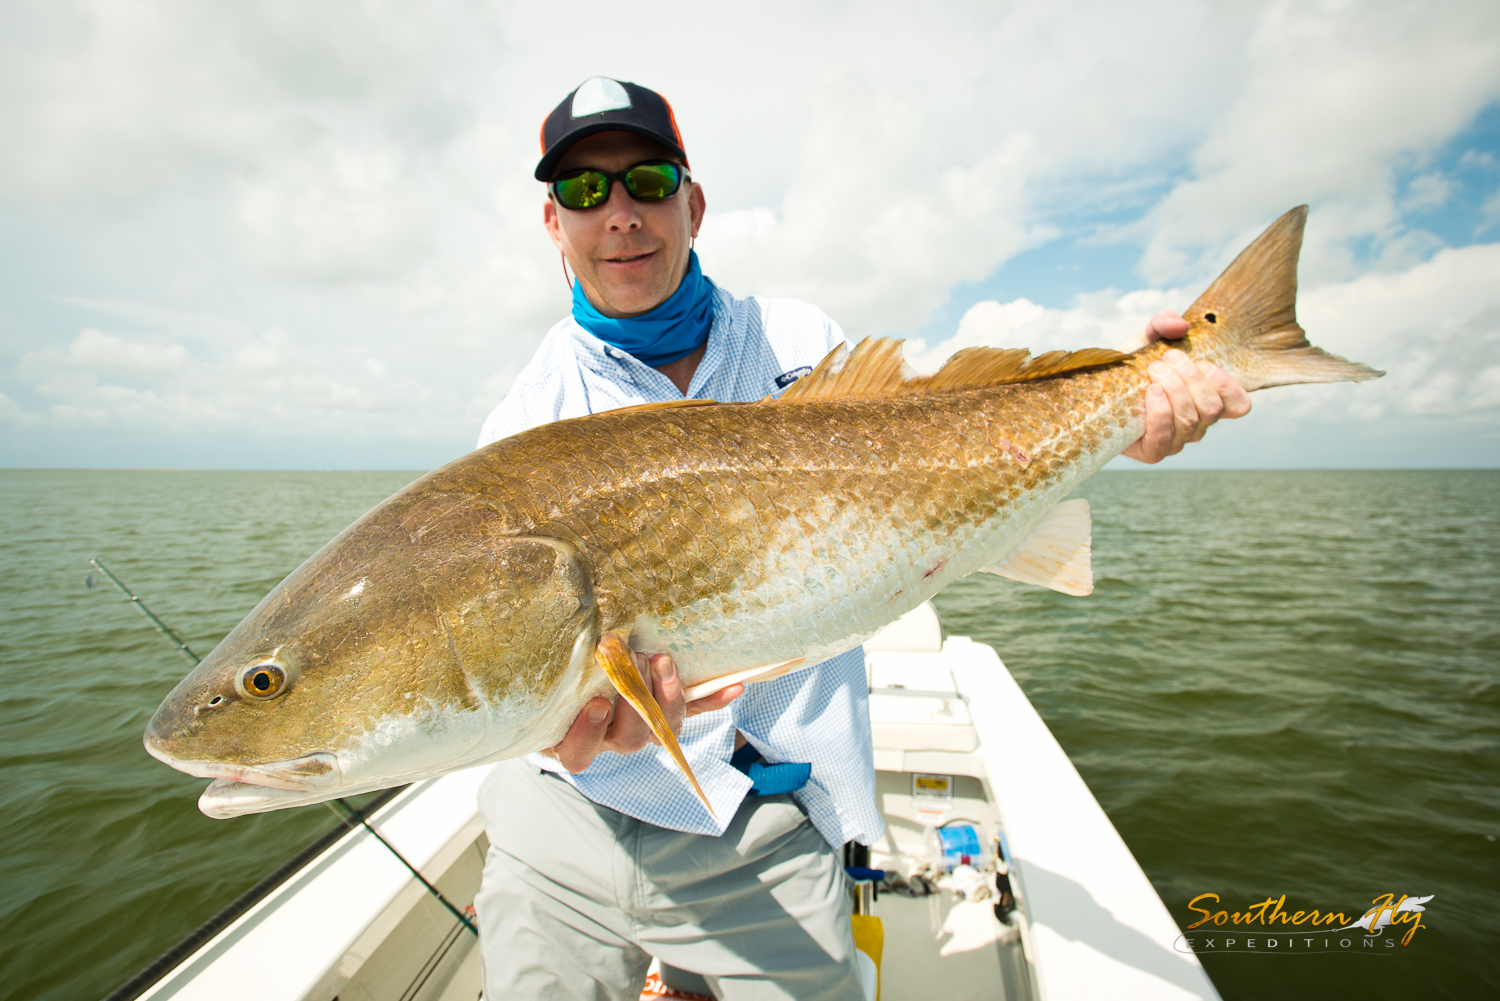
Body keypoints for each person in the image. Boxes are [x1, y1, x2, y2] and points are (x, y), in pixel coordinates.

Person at [471, 77, 1251, 1001]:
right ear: (553, 225)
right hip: (575, 812)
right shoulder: (522, 426)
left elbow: (948, 439)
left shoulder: (798, 338)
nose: (621, 215)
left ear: (695, 203)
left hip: (768, 821)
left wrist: (1134, 391)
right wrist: (568, 727)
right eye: (586, 193)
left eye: (646, 180)